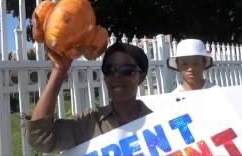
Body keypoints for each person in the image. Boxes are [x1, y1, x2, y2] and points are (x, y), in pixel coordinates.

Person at [24, 42, 152, 153]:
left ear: (141, 77)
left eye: (126, 69)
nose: (117, 75)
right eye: (109, 69)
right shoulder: (88, 124)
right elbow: (40, 138)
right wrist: (59, 70)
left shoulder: (160, 122)